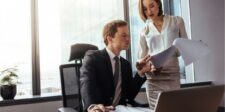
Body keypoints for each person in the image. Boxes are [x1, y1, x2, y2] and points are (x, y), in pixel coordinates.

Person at [80, 20, 153, 112]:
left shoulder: (125, 64)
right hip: (101, 110)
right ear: (110, 39)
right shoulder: (93, 58)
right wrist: (92, 106)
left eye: (128, 35)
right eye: (124, 35)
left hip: (120, 109)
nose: (128, 39)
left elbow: (129, 95)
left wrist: (141, 73)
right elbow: (86, 84)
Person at [138, 0, 188, 110]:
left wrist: (175, 48)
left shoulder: (177, 21)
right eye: (145, 9)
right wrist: (145, 67)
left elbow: (183, 49)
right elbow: (142, 59)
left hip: (172, 76)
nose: (149, 11)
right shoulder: (143, 31)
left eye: (152, 6)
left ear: (158, 4)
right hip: (154, 79)